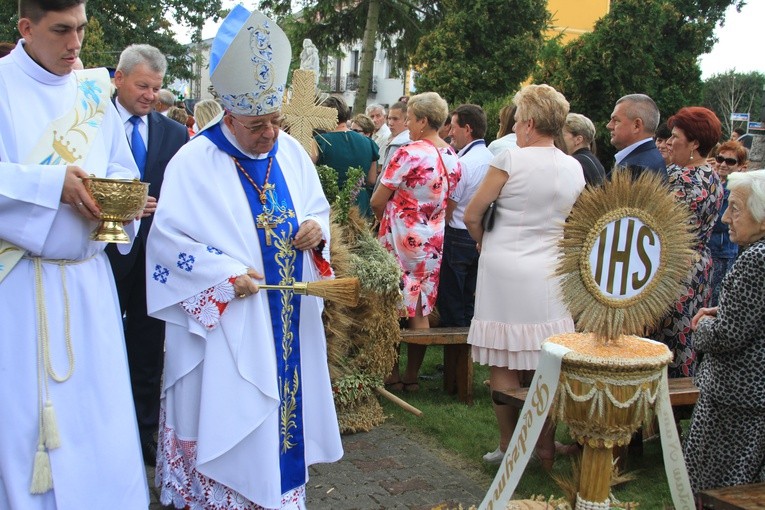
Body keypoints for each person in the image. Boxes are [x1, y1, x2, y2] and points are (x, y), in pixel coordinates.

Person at [146, 6, 342, 508]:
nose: (270, 133)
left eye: (276, 121)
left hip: (286, 318)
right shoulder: (194, 161)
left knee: (283, 411)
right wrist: (224, 275)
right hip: (227, 325)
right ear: (229, 115)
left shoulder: (292, 155)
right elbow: (168, 245)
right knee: (227, 411)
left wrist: (317, 231)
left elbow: (317, 208)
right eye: (258, 124)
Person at [0, 0, 149, 507]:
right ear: (26, 28)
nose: (76, 44)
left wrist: (115, 200)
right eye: (62, 30)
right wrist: (50, 183)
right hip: (21, 285)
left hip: (89, 283)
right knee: (25, 417)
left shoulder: (91, 93)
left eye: (81, 29)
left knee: (99, 411)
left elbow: (121, 167)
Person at [464, 84, 585, 468]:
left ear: (530, 124)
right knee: (543, 360)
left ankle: (509, 445)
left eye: (517, 121)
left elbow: (472, 214)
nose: (514, 128)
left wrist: (484, 242)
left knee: (503, 362)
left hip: (505, 266)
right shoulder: (573, 166)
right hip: (550, 269)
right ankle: (545, 445)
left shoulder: (510, 160)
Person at [107, 43, 190, 467]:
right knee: (101, 344)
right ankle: (103, 430)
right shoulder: (94, 126)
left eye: (156, 88)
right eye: (142, 85)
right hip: (100, 255)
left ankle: (144, 434)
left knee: (146, 347)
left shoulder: (174, 134)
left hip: (153, 259)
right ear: (118, 78)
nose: (151, 95)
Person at [370, 91, 461, 392]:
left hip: (400, 236)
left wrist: (384, 216)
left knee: (391, 306)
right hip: (432, 239)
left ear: (423, 121)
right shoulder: (452, 156)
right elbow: (450, 203)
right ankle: (412, 376)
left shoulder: (408, 153)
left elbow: (377, 199)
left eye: (410, 118)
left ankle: (391, 372)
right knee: (420, 309)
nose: (407, 123)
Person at [686, 169, 765, 493]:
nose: (726, 217)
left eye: (735, 208)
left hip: (736, 394)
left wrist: (702, 325)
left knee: (717, 483)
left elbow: (727, 335)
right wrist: (725, 311)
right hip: (752, 394)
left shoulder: (754, 261)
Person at [651, 106, 723, 378]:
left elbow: (658, 228)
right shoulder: (713, 177)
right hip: (698, 269)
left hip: (672, 271)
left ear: (694, 143)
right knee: (686, 342)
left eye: (675, 135)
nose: (669, 142)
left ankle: (664, 408)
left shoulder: (681, 177)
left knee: (665, 346)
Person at [437, 104, 493, 327]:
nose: (450, 132)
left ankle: (456, 358)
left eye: (454, 127)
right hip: (481, 233)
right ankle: (465, 356)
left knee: (452, 300)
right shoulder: (492, 157)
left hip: (458, 235)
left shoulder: (464, 163)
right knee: (469, 298)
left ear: (467, 129)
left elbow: (449, 207)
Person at [312, 95, 379, 217]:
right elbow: (371, 180)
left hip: (331, 201)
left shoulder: (319, 141)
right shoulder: (369, 143)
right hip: (360, 203)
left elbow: (308, 174)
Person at [709, 141, 748, 306]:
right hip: (710, 250)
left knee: (716, 300)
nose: (723, 164)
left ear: (740, 166)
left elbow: (722, 222)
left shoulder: (737, 188)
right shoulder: (714, 181)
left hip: (723, 252)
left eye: (730, 161)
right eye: (720, 159)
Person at [606, 93, 666, 179]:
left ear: (636, 125)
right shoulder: (652, 157)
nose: (609, 126)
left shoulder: (635, 168)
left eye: (616, 120)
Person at [563, 113, 606, 186]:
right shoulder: (593, 161)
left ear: (578, 139)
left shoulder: (574, 163)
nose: (558, 139)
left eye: (563, 135)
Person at [379, 101, 410, 174]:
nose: (390, 123)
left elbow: (387, 174)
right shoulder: (391, 137)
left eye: (395, 119)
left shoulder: (400, 143)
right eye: (389, 119)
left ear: (406, 120)